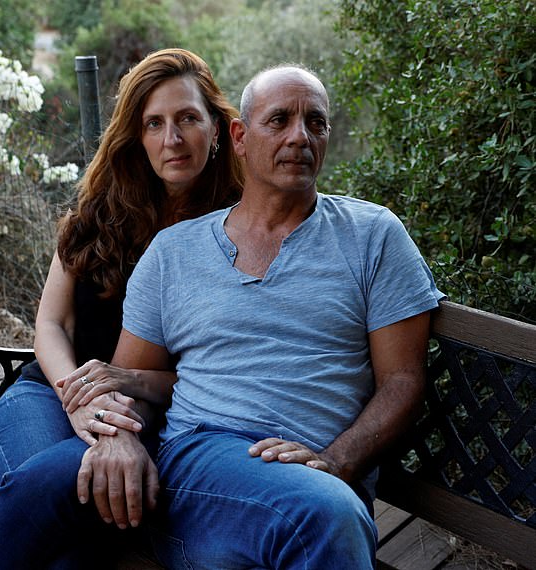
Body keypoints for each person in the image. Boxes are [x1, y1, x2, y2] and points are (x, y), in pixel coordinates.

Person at [78, 64, 446, 568]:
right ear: (240, 137)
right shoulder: (175, 251)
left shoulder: (373, 236)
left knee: (323, 514)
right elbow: (129, 384)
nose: (300, 136)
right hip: (202, 463)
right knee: (325, 517)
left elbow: (402, 381)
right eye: (279, 121)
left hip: (318, 480)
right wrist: (118, 439)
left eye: (315, 123)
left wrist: (336, 461)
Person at [0, 48, 242, 568]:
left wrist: (116, 414)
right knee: (65, 515)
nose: (172, 139)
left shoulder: (240, 230)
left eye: (188, 119)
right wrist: (78, 397)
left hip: (155, 415)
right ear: (137, 136)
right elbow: (52, 324)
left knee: (68, 529)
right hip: (49, 391)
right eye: (155, 123)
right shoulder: (97, 213)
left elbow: (221, 369)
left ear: (217, 128)